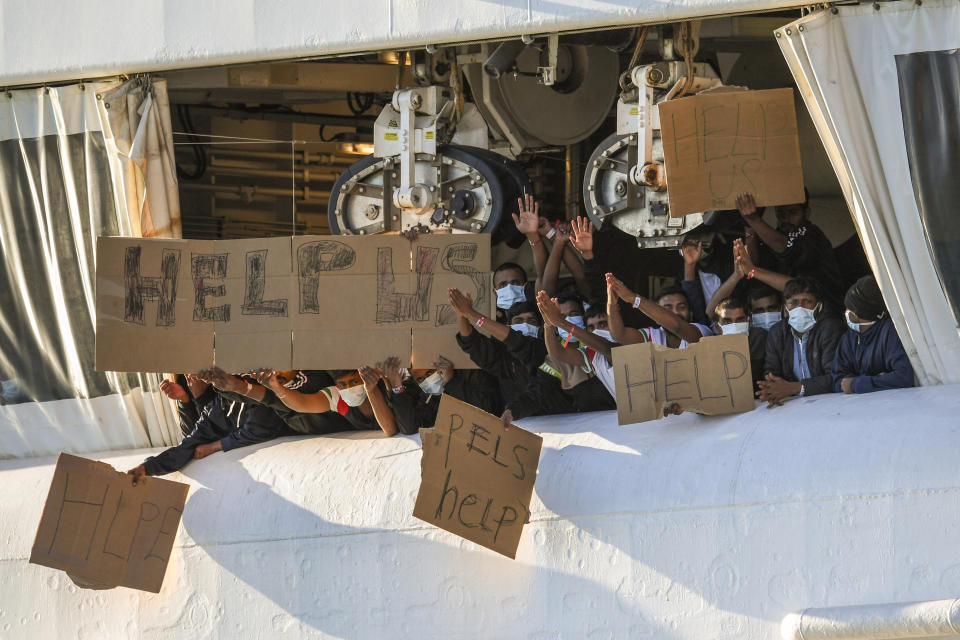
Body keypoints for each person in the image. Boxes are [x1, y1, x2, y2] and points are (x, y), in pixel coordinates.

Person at [126, 373, 293, 483]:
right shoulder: (216, 406)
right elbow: (190, 441)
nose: (194, 376)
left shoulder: (258, 395)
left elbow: (260, 428)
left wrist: (216, 446)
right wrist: (146, 468)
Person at [450, 288, 572, 418]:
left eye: (531, 321)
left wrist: (471, 313)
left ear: (540, 328)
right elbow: (473, 344)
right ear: (508, 325)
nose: (525, 325)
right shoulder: (507, 359)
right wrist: (462, 315)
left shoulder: (545, 350)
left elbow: (518, 342)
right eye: (518, 321)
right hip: (526, 427)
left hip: (568, 423)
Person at [735, 191, 843, 306]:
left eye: (793, 212)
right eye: (781, 213)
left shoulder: (811, 234)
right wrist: (750, 229)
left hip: (825, 310)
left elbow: (784, 246)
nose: (786, 218)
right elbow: (757, 263)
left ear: (806, 213)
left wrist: (754, 219)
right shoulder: (776, 234)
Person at [759, 277, 844, 407]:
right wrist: (771, 388)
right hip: (794, 406)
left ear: (819, 306)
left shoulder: (830, 329)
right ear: (785, 309)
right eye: (793, 303)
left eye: (807, 302)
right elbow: (771, 371)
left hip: (831, 403)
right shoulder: (776, 333)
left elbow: (836, 376)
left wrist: (795, 387)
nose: (800, 308)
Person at [249, 367, 399, 436]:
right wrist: (277, 389)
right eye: (342, 384)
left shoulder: (384, 388)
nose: (349, 388)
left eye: (354, 381)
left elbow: (390, 430)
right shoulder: (337, 396)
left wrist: (371, 390)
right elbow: (303, 403)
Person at [832, 275, 915, 394]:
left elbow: (904, 377)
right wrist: (877, 380)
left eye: (849, 308)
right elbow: (838, 380)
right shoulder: (849, 338)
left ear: (855, 315)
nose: (845, 312)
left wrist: (856, 384)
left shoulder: (890, 332)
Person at [383, 355, 504, 434]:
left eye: (430, 372)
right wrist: (397, 387)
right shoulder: (429, 398)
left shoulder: (470, 373)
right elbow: (409, 427)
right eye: (420, 379)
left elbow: (490, 409)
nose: (428, 379)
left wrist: (451, 382)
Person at [605, 274, 713, 348]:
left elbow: (677, 326)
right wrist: (612, 305)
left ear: (691, 313)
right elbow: (620, 335)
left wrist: (633, 299)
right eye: (667, 308)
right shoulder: (654, 335)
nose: (675, 312)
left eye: (681, 307)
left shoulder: (702, 331)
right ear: (655, 314)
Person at [714, 297, 767, 388]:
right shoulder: (711, 348)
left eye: (739, 320)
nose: (734, 325)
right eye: (727, 321)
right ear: (717, 327)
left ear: (748, 322)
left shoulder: (761, 338)